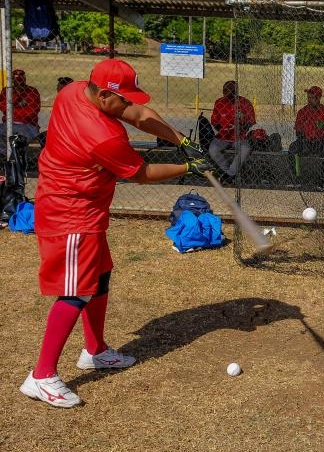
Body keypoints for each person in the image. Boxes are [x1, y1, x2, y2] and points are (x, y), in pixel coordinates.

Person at [19, 58, 211, 408]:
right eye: (123, 99)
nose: (129, 105)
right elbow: (141, 172)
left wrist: (180, 139)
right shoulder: (102, 136)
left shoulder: (74, 90)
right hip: (70, 215)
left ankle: (94, 350)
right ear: (106, 95)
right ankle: (41, 375)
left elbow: (139, 115)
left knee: (100, 278)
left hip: (85, 208)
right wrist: (187, 167)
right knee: (76, 292)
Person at [288, 86, 324, 188]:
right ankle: (296, 178)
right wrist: (304, 141)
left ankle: (322, 179)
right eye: (308, 97)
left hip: (322, 141)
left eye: (312, 98)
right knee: (292, 149)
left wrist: (322, 140)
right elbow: (298, 130)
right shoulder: (302, 111)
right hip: (305, 141)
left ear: (319, 98)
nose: (309, 100)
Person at [209, 80, 256, 181]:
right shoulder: (219, 102)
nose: (228, 94)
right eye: (226, 92)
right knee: (213, 150)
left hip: (240, 136)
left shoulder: (245, 103)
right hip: (223, 136)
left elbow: (251, 122)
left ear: (236, 92)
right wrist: (223, 129)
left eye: (231, 92)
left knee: (245, 149)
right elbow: (215, 122)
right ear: (223, 92)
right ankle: (228, 174)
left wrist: (239, 127)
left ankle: (229, 174)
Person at [0, 69, 41, 144]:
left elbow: (32, 112)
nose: (19, 82)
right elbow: (3, 108)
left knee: (21, 139)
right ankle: (4, 154)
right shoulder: (6, 91)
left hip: (28, 125)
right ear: (12, 80)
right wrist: (20, 106)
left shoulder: (32, 91)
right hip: (8, 123)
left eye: (21, 80)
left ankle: (19, 154)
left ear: (25, 79)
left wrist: (12, 107)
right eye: (17, 80)